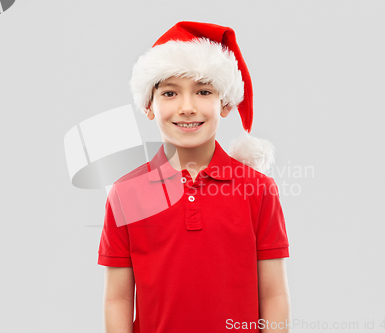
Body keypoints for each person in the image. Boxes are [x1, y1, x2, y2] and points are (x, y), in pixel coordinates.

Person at [98, 21, 290, 333]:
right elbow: (118, 299)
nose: (187, 108)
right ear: (149, 106)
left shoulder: (258, 190)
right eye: (170, 93)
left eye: (203, 91)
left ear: (225, 104)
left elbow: (274, 293)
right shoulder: (126, 193)